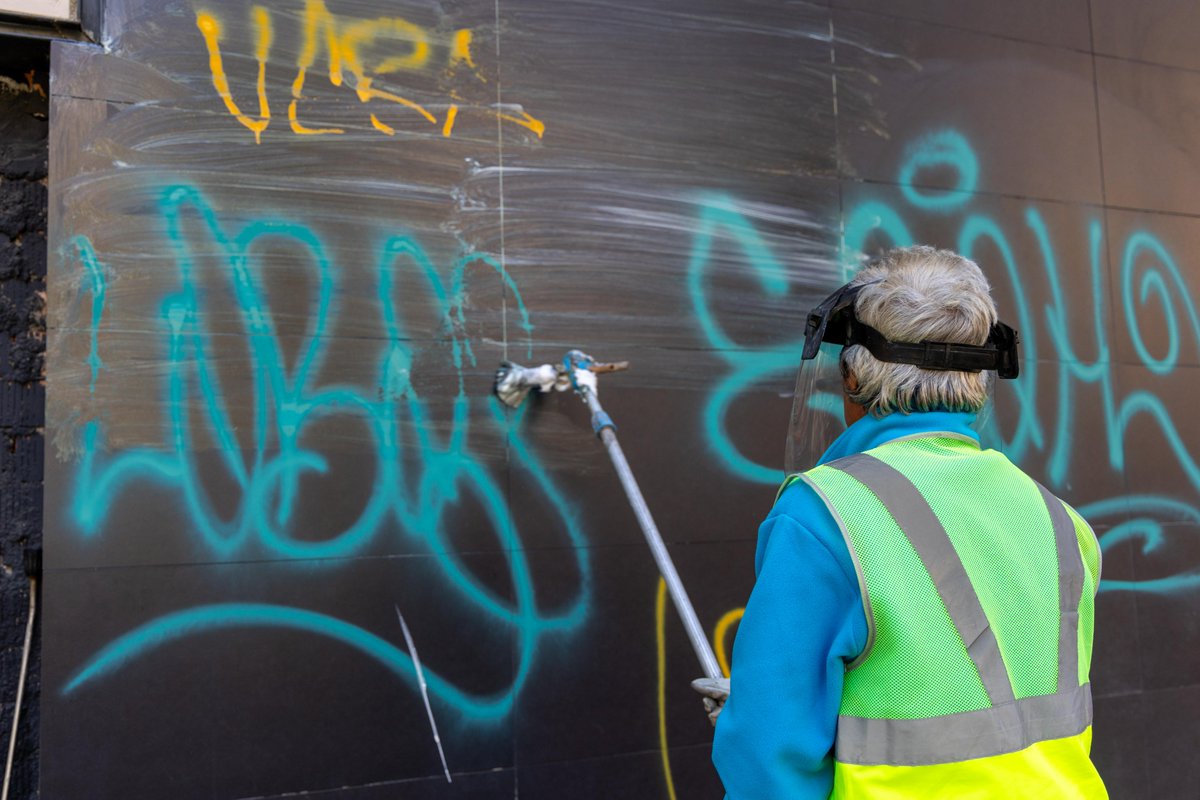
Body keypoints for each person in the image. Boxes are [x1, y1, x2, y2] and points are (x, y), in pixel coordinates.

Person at [703, 246, 1106, 798]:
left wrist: (751, 709)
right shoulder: (1062, 523)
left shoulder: (825, 514)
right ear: (979, 382)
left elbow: (769, 749)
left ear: (851, 377)